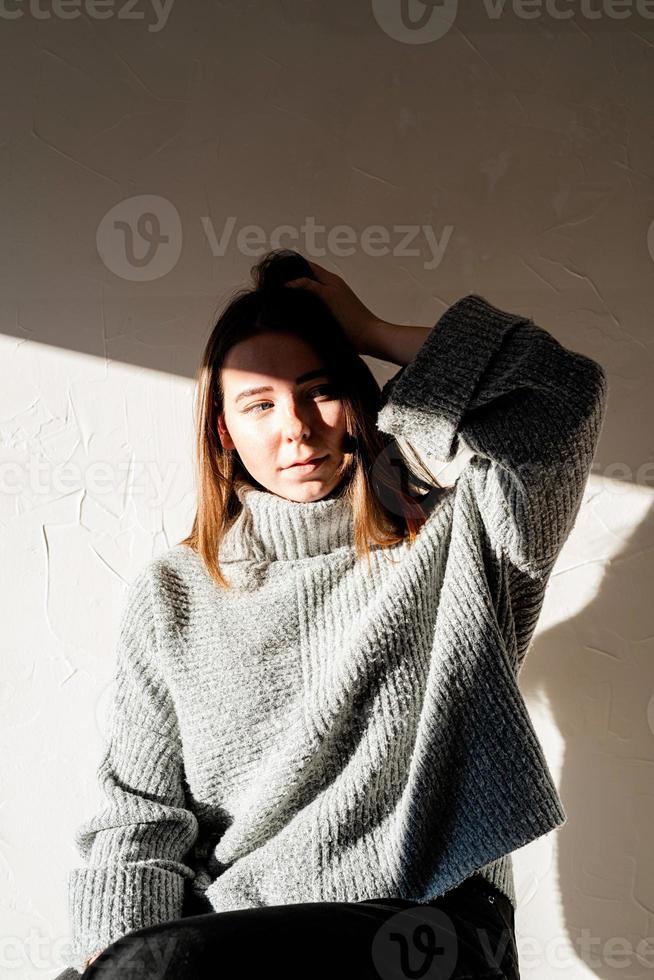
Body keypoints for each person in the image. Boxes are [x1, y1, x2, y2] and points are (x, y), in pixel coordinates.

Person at [63, 249, 608, 979]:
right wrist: (116, 956)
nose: (295, 426)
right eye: (259, 403)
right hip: (236, 937)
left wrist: (371, 329)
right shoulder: (175, 591)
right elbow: (139, 818)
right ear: (223, 432)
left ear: (354, 402)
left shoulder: (454, 542)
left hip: (424, 925)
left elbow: (561, 394)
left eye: (317, 392)